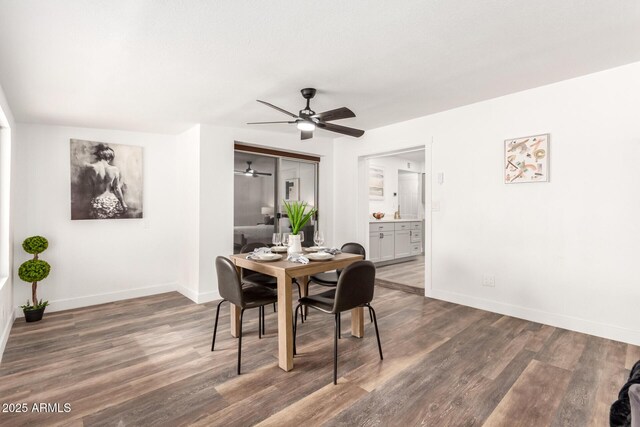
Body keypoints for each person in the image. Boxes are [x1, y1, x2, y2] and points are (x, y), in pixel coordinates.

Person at [84, 143, 128, 219]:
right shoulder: (115, 169)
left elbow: (89, 190)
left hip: (97, 201)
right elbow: (117, 188)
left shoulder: (91, 168)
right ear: (109, 158)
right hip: (112, 201)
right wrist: (123, 203)